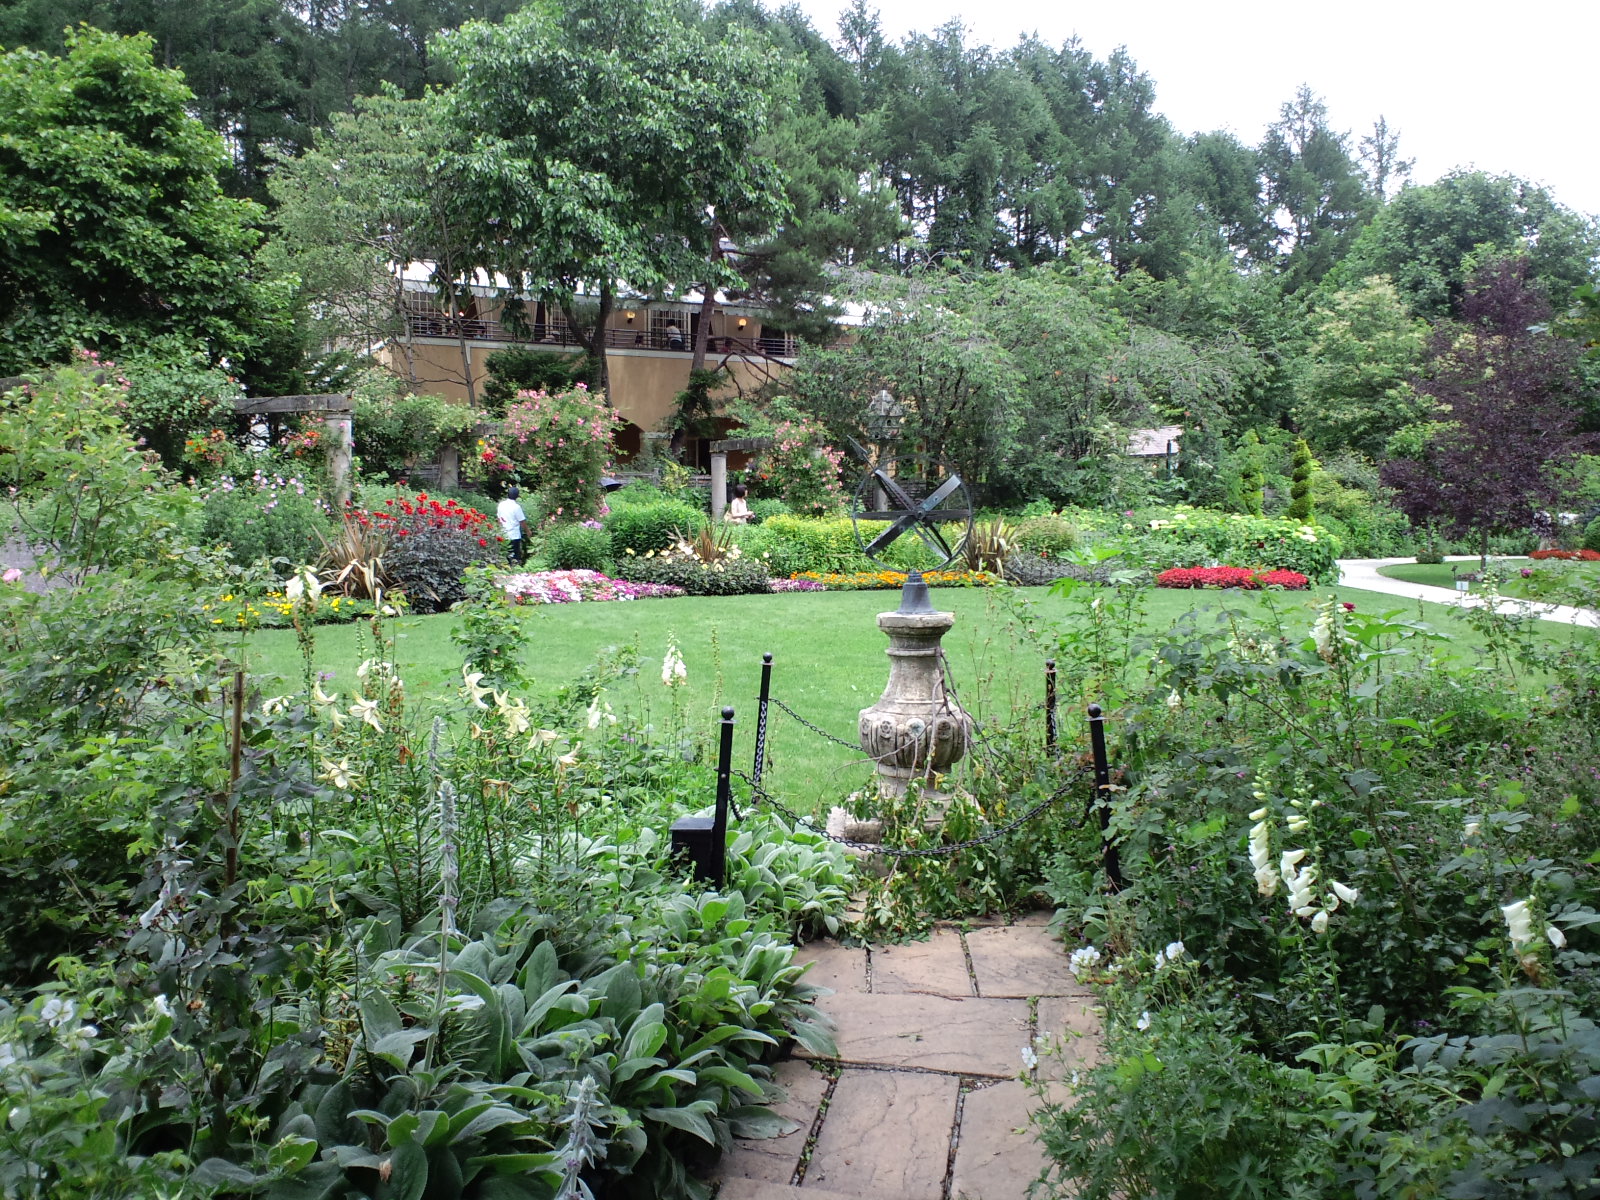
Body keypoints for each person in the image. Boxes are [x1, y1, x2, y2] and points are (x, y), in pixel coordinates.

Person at [497, 485, 529, 565]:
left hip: (503, 534)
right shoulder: (516, 507)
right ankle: (515, 571)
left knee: (505, 555)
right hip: (514, 535)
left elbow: (499, 519)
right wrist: (528, 532)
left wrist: (499, 530)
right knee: (515, 556)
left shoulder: (501, 505)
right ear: (517, 496)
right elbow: (522, 521)